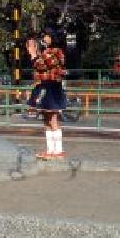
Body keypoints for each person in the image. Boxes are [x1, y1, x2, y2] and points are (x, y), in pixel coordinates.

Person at [26, 28, 67, 160]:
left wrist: (33, 54)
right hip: (44, 85)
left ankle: (58, 151)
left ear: (53, 37)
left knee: (53, 118)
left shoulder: (56, 51)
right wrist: (36, 53)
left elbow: (43, 65)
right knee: (46, 119)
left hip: (52, 86)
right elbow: (39, 66)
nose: (44, 38)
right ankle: (50, 150)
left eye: (47, 36)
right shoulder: (45, 51)